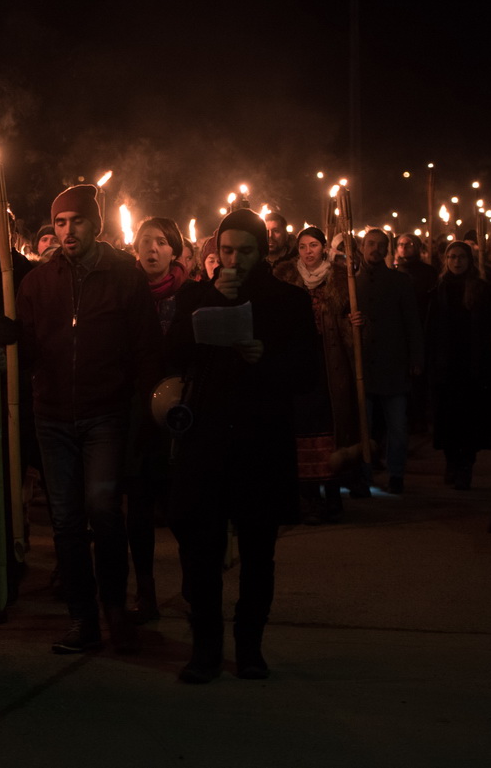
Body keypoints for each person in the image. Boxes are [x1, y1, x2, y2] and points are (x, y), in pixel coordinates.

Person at [164, 208, 325, 682]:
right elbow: (170, 355)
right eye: (227, 250)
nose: (235, 260)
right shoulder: (195, 294)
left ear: (263, 251)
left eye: (246, 251)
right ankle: (206, 648)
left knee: (258, 551)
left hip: (261, 440)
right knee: (201, 550)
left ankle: (250, 647)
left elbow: (306, 373)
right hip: (207, 440)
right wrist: (207, 308)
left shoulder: (288, 301)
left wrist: (264, 357)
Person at [16, 184, 161, 654]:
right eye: (59, 222)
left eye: (76, 220)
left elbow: (144, 348)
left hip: (106, 412)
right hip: (53, 415)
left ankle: (115, 608)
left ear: (94, 224)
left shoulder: (124, 275)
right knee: (66, 520)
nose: (67, 230)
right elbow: (28, 346)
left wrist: (146, 412)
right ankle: (82, 618)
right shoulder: (39, 281)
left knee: (102, 508)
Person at [274, 225, 365, 517]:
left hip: (330, 364)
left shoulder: (340, 279)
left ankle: (333, 494)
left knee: (330, 429)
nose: (308, 251)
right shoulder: (286, 279)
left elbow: (348, 326)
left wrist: (354, 324)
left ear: (324, 248)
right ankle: (308, 497)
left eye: (313, 245)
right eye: (302, 246)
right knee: (302, 430)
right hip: (300, 364)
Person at [126, 216, 187, 620]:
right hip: (134, 414)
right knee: (139, 506)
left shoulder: (193, 296)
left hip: (182, 417)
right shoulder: (122, 293)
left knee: (183, 506)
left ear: (174, 251)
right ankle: (145, 590)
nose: (152, 248)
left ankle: (193, 585)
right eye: (145, 241)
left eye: (161, 242)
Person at [425, 241, 491, 490]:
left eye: (461, 257)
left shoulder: (481, 289)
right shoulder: (439, 289)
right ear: (445, 260)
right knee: (448, 418)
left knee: (471, 418)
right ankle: (451, 461)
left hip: (474, 364)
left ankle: (466, 464)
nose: (457, 261)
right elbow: (431, 328)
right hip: (446, 364)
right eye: (452, 257)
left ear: (469, 261)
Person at [354, 227, 424, 494]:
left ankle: (396, 473)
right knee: (364, 426)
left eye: (380, 245)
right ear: (362, 246)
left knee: (397, 426)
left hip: (393, 363)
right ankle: (364, 474)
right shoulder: (352, 281)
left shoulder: (399, 281)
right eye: (370, 243)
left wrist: (416, 357)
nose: (375, 249)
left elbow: (412, 322)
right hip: (364, 366)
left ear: (387, 249)